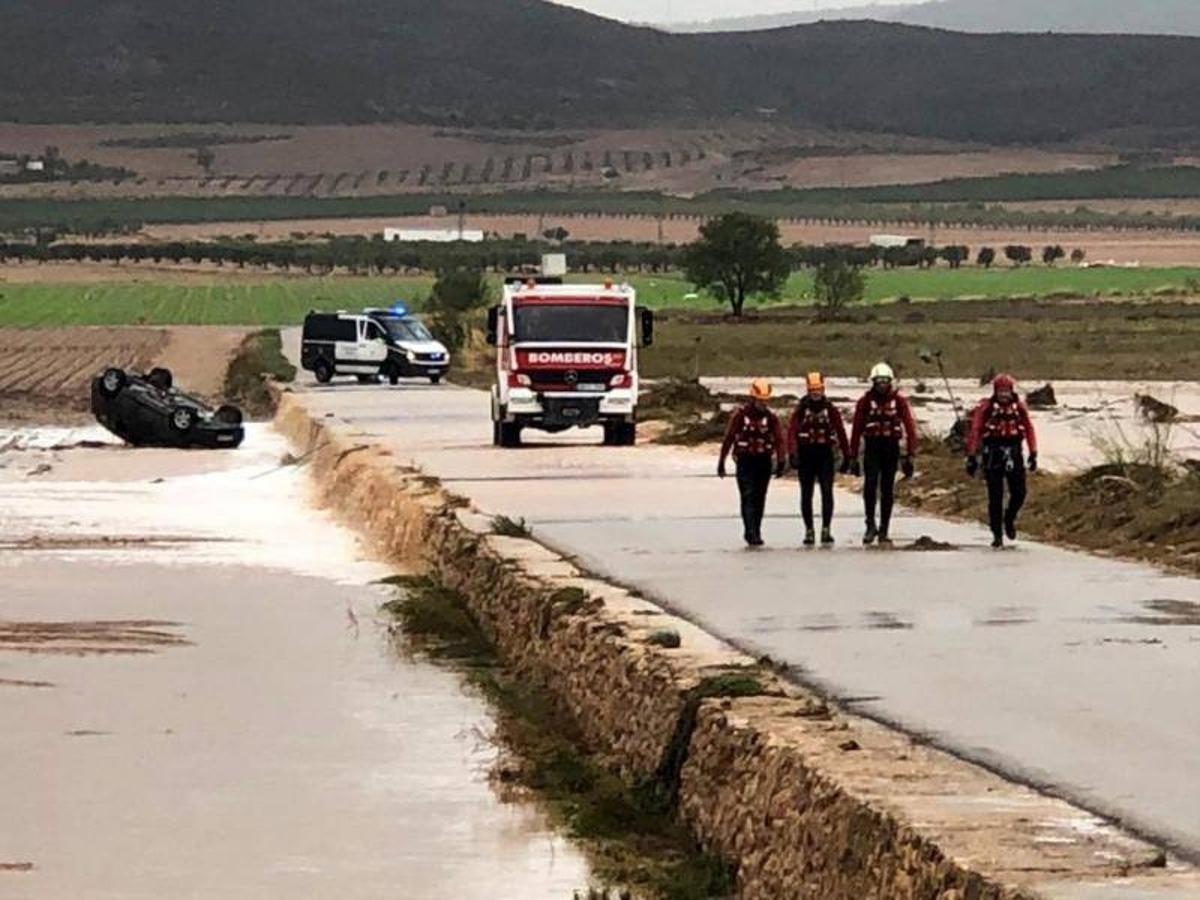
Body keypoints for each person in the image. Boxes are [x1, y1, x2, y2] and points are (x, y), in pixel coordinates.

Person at [965, 373, 1038, 548]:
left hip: (1014, 451)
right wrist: (972, 456)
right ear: (995, 391)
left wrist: (1033, 453)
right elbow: (975, 431)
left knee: (1019, 492)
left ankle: (1009, 518)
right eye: (1000, 391)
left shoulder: (1019, 408)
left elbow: (1029, 428)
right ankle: (997, 534)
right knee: (995, 496)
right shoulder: (986, 408)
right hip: (993, 453)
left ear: (1011, 391)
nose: (1003, 395)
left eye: (1006, 391)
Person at [849, 362, 918, 546]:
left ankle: (884, 529)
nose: (882, 385)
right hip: (872, 448)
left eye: (885, 381)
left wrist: (910, 454)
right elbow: (856, 429)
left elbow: (910, 428)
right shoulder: (864, 402)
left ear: (890, 382)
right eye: (878, 381)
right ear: (873, 382)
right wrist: (852, 456)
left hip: (891, 448)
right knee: (870, 486)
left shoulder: (899, 402)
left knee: (887, 489)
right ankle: (870, 524)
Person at [718, 378, 787, 546]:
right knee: (747, 496)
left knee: (760, 498)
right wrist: (722, 461)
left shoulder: (771, 419)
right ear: (753, 398)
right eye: (760, 400)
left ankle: (756, 529)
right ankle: (750, 531)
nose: (763, 403)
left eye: (765, 400)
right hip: (745, 461)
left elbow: (779, 440)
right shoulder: (740, 416)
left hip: (763, 461)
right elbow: (729, 438)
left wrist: (781, 460)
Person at [787, 372, 850, 546]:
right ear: (808, 390)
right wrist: (792, 453)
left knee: (827, 493)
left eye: (818, 390)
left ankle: (826, 529)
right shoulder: (800, 410)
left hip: (825, 455)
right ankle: (809, 530)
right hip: (806, 455)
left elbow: (841, 432)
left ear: (823, 389)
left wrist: (847, 456)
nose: (816, 393)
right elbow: (792, 432)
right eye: (812, 390)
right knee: (806, 494)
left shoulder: (831, 409)